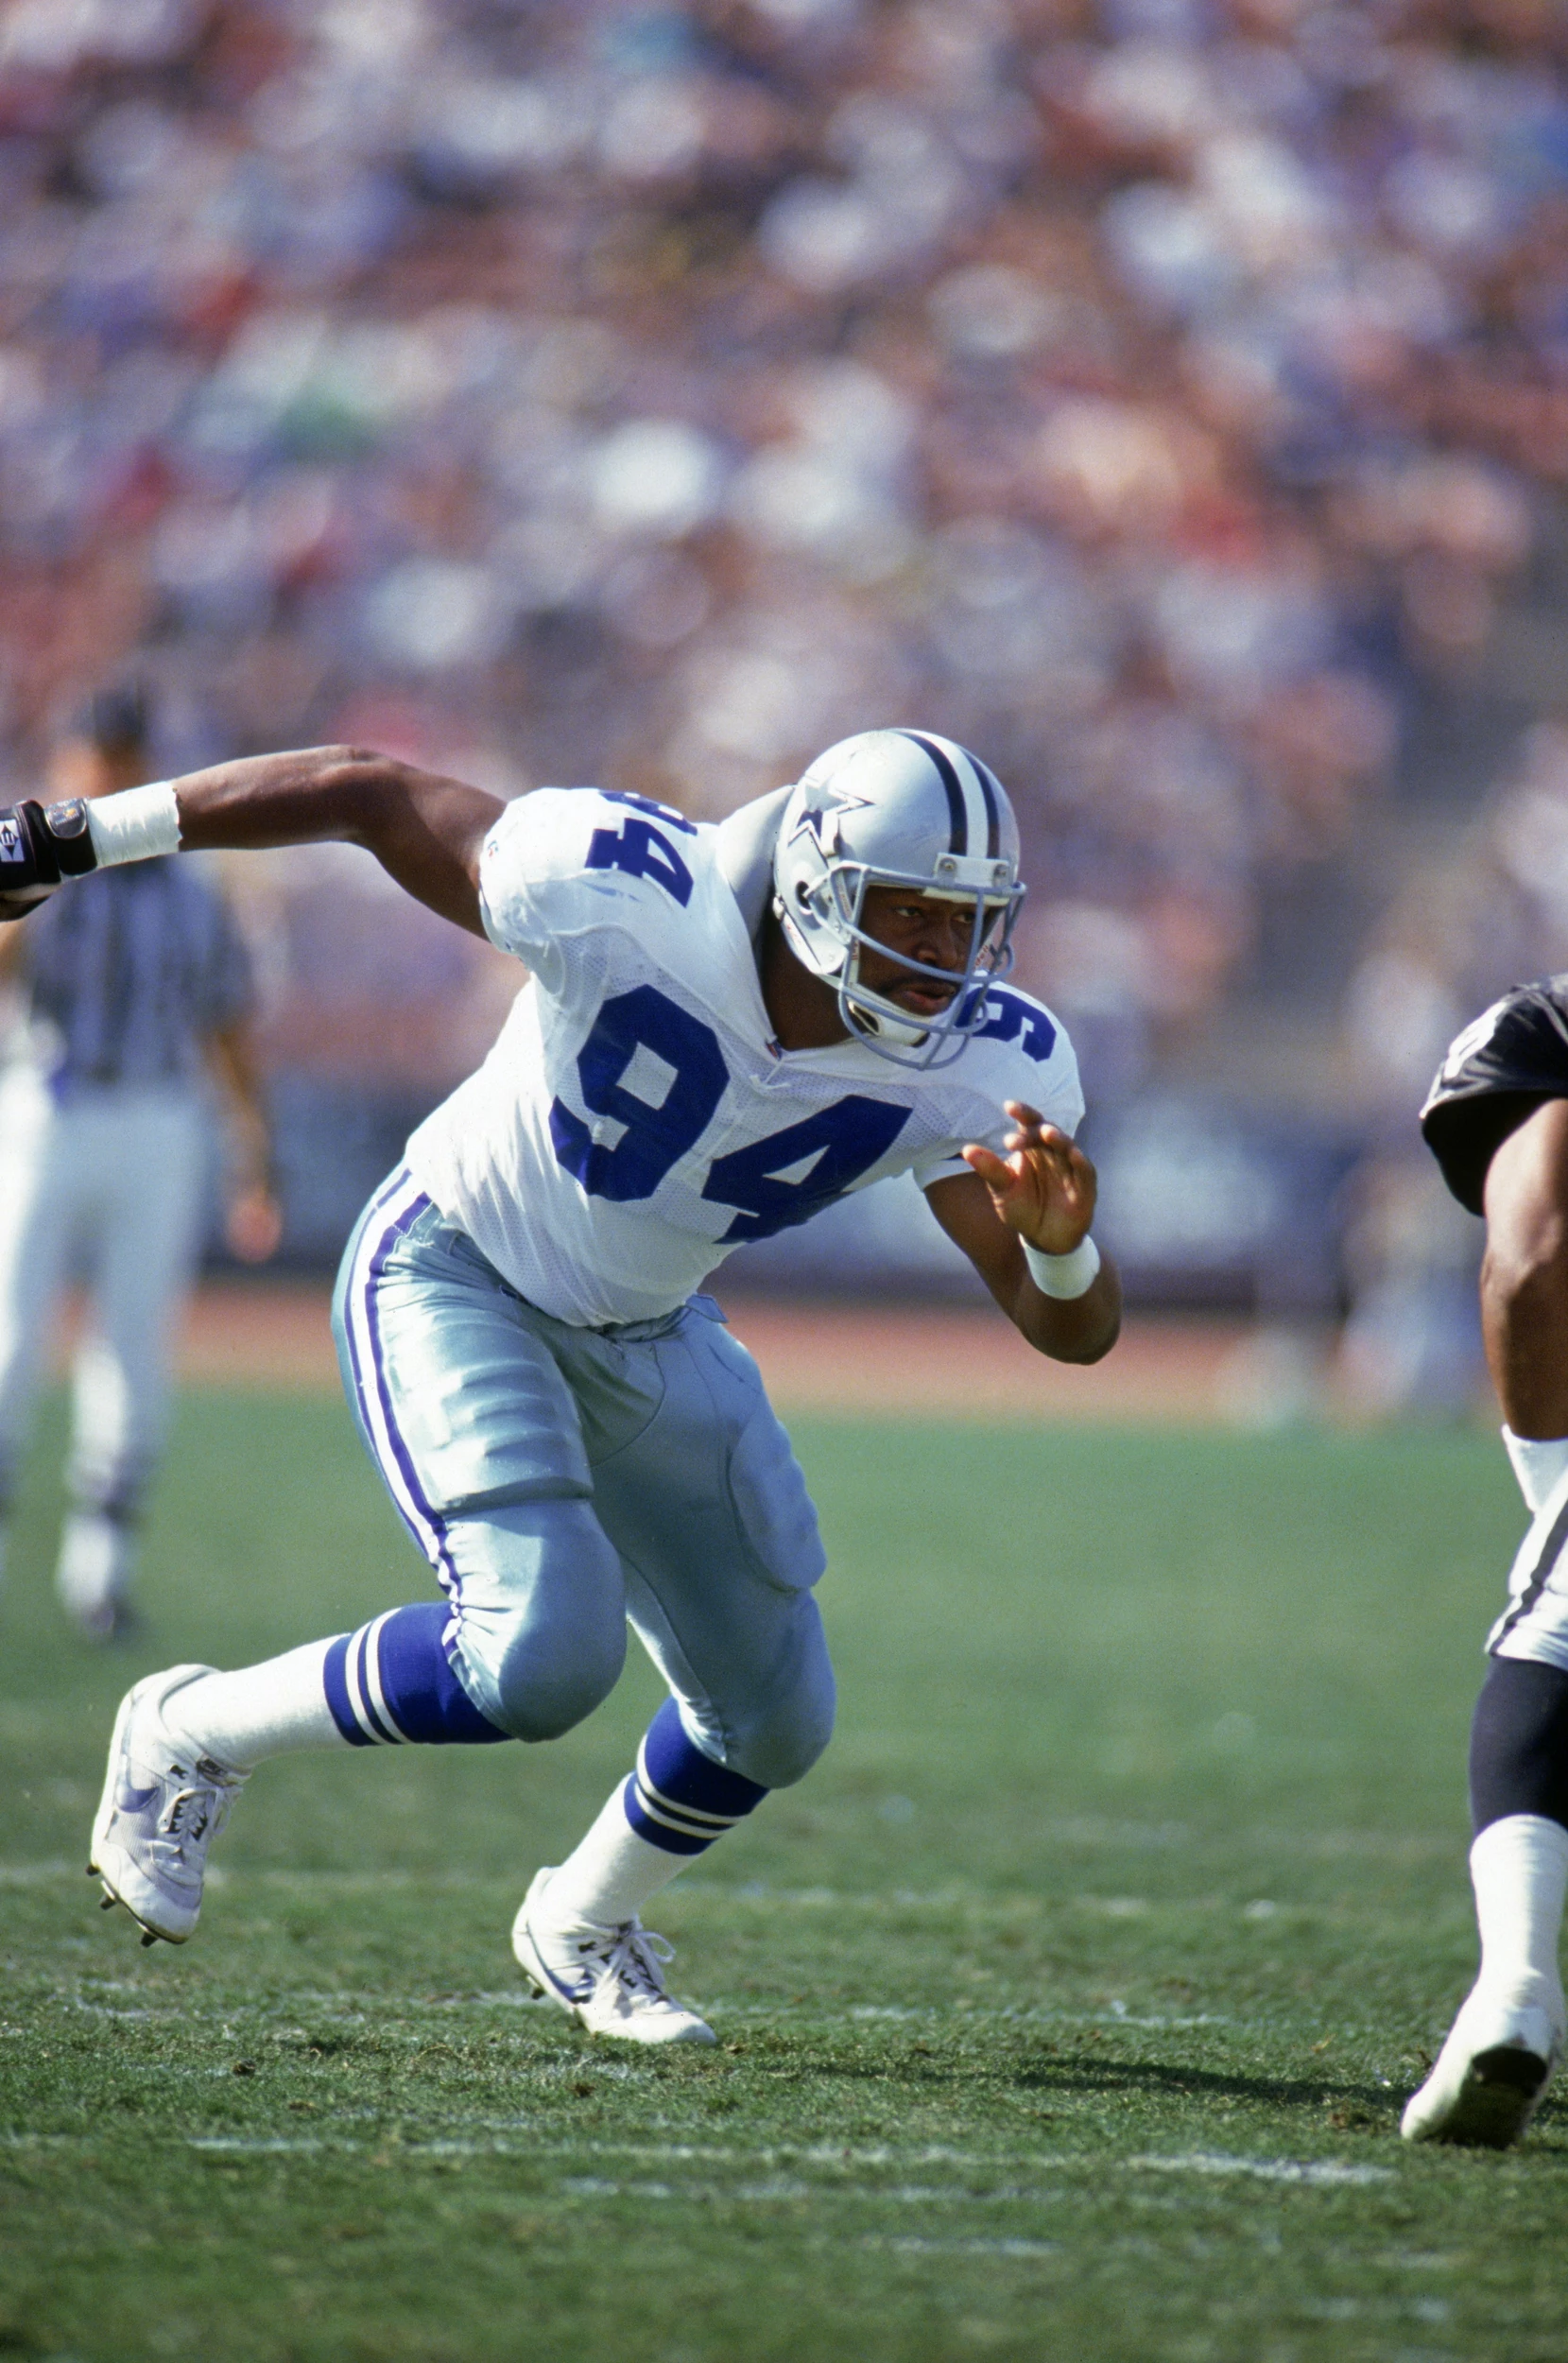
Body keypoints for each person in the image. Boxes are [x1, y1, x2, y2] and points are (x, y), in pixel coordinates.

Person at [0, 727, 1119, 2043]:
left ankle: (580, 1926)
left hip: (643, 1325)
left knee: (775, 1716)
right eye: (913, 918)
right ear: (818, 886)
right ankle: (189, 1726)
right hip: (457, 1263)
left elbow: (1070, 1333)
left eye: (967, 926)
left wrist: (1062, 1246)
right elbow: (369, 791)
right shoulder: (625, 891)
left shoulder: (985, 1063)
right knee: (534, 1657)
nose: (941, 960)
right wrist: (72, 837)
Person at [0, 689, 281, 1638]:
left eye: (125, 758)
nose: (109, 773)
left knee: (131, 1343)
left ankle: (102, 1571)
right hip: (50, 1102)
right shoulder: (34, 865)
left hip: (159, 1116)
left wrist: (255, 1154)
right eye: (96, 756)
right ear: (69, 762)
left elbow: (227, 1025)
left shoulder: (192, 890)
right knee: (9, 1332)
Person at [1403, 980, 1568, 2145]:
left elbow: (1529, 1264)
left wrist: (1550, 1472)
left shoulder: (1541, 1033)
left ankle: (1515, 1982)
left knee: (1550, 1634)